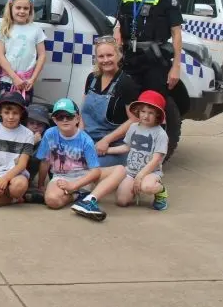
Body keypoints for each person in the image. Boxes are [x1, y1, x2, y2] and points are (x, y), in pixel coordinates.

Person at [36, 98, 124, 222]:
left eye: (69, 116)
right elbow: (44, 162)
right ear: (54, 120)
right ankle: (78, 195)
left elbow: (95, 171)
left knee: (120, 170)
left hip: (85, 176)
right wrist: (40, 185)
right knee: (52, 201)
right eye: (60, 117)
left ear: (77, 118)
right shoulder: (49, 134)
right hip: (61, 176)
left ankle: (90, 200)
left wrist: (74, 185)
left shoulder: (85, 139)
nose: (65, 120)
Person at [114, 0, 183, 97]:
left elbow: (176, 33)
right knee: (127, 102)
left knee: (152, 105)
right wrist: (117, 33)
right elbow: (118, 22)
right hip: (129, 58)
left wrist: (176, 66)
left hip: (154, 60)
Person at [81, 37, 140, 167]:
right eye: (101, 56)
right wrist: (78, 138)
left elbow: (134, 120)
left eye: (109, 55)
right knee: (60, 159)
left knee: (86, 166)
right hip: (88, 139)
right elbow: (83, 113)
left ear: (118, 55)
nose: (105, 60)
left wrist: (106, 140)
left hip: (113, 145)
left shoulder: (126, 83)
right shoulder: (92, 78)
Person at [115, 90, 170, 211]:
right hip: (131, 171)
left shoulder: (160, 134)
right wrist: (107, 150)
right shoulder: (133, 127)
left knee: (147, 187)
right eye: (143, 111)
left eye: (151, 113)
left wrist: (140, 176)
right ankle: (133, 190)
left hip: (150, 172)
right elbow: (127, 147)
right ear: (138, 111)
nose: (145, 116)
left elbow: (156, 160)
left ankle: (160, 191)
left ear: (158, 115)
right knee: (121, 201)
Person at [0, 92, 35, 207]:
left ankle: (13, 194)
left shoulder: (28, 134)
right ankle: (13, 199)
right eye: (6, 112)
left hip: (16, 174)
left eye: (15, 113)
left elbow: (22, 165)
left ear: (21, 113)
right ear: (0, 112)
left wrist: (4, 179)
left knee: (18, 187)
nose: (10, 117)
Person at [0, 0, 46, 104]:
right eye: (18, 8)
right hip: (7, 80)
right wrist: (14, 77)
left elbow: (42, 55)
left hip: (26, 82)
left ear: (30, 10)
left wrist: (33, 79)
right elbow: (0, 55)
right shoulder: (4, 28)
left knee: (23, 112)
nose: (22, 11)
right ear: (11, 8)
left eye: (26, 8)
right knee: (5, 111)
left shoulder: (36, 30)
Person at [24, 103, 51, 184]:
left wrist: (40, 184)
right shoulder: (18, 134)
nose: (35, 126)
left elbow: (46, 163)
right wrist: (32, 142)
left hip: (29, 177)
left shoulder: (46, 139)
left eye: (39, 124)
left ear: (45, 126)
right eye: (31, 123)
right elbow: (14, 161)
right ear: (26, 123)